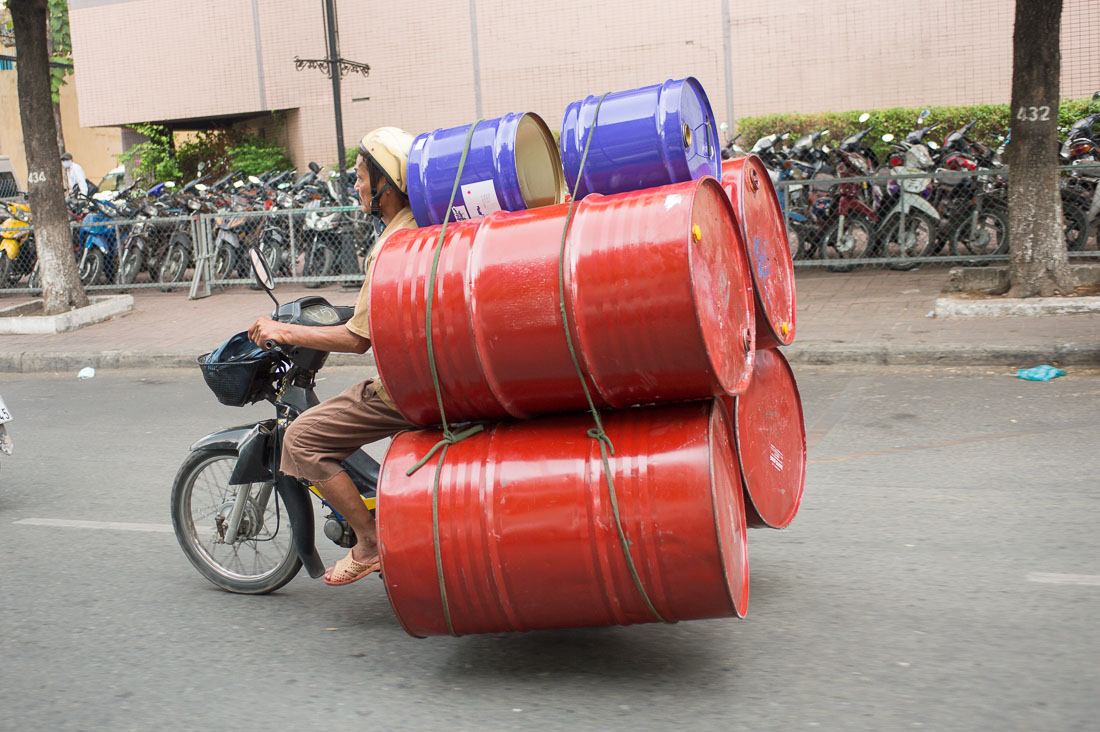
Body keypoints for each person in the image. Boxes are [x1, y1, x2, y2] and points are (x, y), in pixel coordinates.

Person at [247, 127, 418, 586]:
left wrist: (283, 328)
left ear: (385, 184)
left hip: (409, 388)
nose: (356, 187)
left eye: (361, 177)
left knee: (301, 440)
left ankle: (369, 542)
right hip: (443, 378)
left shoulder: (391, 247)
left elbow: (357, 339)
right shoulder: (423, 228)